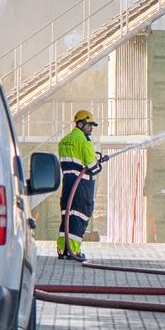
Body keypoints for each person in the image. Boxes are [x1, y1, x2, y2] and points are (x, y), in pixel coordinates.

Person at [55, 109, 102, 261]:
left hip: (68, 184)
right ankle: (73, 250)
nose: (91, 128)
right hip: (81, 186)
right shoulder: (83, 141)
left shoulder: (64, 140)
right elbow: (93, 167)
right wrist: (98, 162)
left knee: (67, 215)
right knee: (80, 215)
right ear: (81, 124)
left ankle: (63, 249)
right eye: (89, 125)